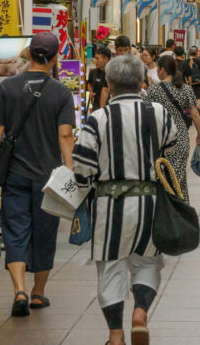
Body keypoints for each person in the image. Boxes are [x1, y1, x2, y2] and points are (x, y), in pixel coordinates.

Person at [72, 53, 178, 345]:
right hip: (149, 203)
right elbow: (172, 147)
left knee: (110, 268)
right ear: (142, 81)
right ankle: (140, 313)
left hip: (109, 205)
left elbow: (82, 166)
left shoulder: (97, 119)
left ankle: (116, 335)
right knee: (148, 262)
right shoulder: (157, 112)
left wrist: (82, 190)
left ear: (109, 83)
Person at [0, 32, 76, 317]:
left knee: (15, 230)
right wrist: (71, 173)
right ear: (56, 58)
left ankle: (19, 290)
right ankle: (38, 293)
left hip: (14, 174)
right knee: (45, 233)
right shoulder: (61, 92)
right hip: (48, 177)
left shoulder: (9, 87)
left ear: (29, 55)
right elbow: (65, 136)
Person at [146, 55, 200, 199]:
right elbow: (194, 114)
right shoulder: (185, 88)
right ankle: (181, 208)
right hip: (180, 138)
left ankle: (169, 209)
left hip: (160, 138)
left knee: (162, 177)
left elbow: (145, 114)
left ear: (162, 70)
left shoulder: (153, 90)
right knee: (179, 176)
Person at [86, 45, 111, 111]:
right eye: (95, 58)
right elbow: (89, 84)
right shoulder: (93, 72)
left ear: (106, 59)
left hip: (109, 107)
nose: (95, 61)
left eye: (97, 58)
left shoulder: (112, 74)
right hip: (96, 107)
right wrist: (91, 91)